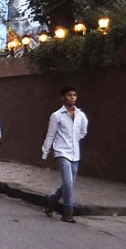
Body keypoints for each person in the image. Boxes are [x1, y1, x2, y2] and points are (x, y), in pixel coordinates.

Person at [41, 86, 89, 223]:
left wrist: (74, 140)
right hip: (61, 152)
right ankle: (68, 212)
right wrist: (45, 153)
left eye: (74, 95)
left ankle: (52, 200)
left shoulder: (81, 115)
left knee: (70, 183)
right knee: (67, 181)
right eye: (69, 95)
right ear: (63, 98)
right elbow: (50, 135)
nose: (72, 97)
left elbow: (83, 131)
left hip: (75, 152)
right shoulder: (56, 116)